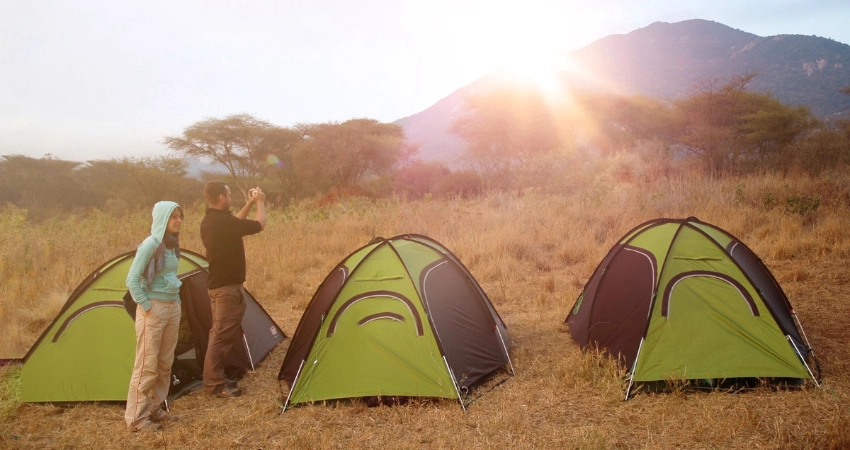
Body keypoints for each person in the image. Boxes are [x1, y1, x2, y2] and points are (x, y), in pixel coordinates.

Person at [200, 182, 266, 398]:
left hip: (221, 286)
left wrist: (249, 202)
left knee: (219, 333)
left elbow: (235, 222)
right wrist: (260, 203)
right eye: (228, 194)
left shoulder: (211, 221)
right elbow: (259, 224)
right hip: (227, 289)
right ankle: (214, 384)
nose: (230, 197)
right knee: (220, 336)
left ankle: (216, 377)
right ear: (221, 198)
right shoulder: (221, 223)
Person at [125, 201, 184, 432]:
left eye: (180, 216)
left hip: (172, 307)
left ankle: (154, 408)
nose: (178, 220)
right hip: (154, 309)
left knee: (165, 363)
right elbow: (132, 280)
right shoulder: (151, 244)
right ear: (162, 218)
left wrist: (176, 301)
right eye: (173, 216)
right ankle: (136, 419)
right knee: (147, 366)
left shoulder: (171, 244)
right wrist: (147, 306)